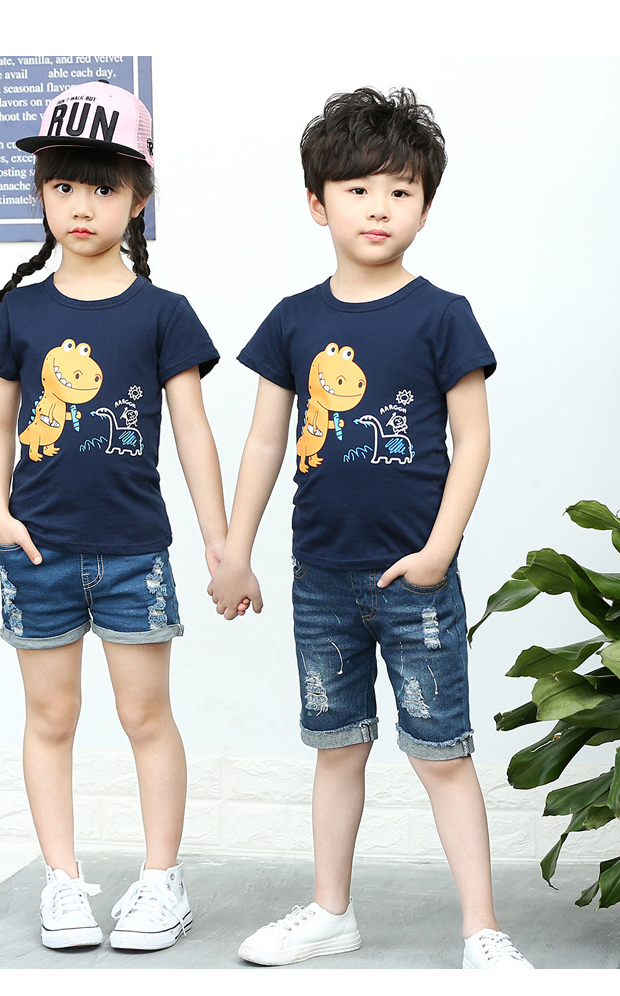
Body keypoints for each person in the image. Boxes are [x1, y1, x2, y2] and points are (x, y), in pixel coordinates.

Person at [208, 87, 533, 970]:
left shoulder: (442, 313)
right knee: (337, 748)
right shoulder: (293, 318)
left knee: (442, 753)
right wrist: (235, 552)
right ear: (318, 205)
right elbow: (265, 440)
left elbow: (473, 441)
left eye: (400, 190)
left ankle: (481, 930)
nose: (379, 207)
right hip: (320, 579)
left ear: (425, 206)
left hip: (414, 580)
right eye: (357, 189)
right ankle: (330, 912)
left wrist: (438, 553)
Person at [0, 81, 226, 952]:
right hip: (36, 555)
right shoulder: (21, 311)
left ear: (139, 198)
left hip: (132, 555)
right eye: (64, 186)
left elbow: (193, 433)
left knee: (145, 717)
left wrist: (219, 539)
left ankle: (161, 880)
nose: (82, 206)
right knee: (51, 720)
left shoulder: (163, 314)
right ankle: (63, 881)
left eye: (104, 187)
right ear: (42, 195)